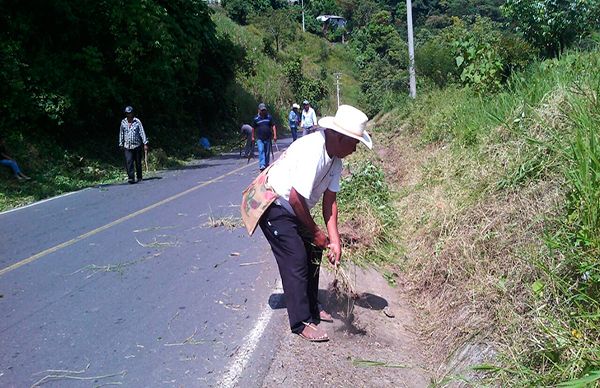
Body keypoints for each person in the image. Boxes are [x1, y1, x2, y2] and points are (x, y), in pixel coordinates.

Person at [259, 105, 372, 342]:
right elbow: (295, 199)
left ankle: (312, 306)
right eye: (354, 143)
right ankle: (300, 322)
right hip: (274, 205)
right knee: (296, 257)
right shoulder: (313, 150)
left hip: (294, 207)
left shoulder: (336, 160)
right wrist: (316, 232)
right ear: (339, 137)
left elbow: (329, 202)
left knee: (313, 251)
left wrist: (334, 240)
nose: (354, 149)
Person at [118, 106, 148, 184]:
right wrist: (121, 143)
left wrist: (145, 143)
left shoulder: (137, 121)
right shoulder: (123, 122)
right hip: (127, 146)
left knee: (138, 162)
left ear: (132, 113)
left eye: (130, 113)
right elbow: (121, 133)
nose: (129, 115)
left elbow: (142, 132)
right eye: (127, 113)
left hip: (137, 145)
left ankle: (139, 176)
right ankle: (131, 178)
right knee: (129, 161)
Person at [252, 103, 277, 171]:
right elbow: (253, 128)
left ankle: (266, 164)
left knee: (267, 152)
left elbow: (273, 126)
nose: (263, 112)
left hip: (268, 138)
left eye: (264, 110)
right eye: (262, 110)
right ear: (259, 110)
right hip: (259, 138)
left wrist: (275, 135)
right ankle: (262, 164)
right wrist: (253, 137)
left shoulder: (269, 117)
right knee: (261, 150)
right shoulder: (256, 119)